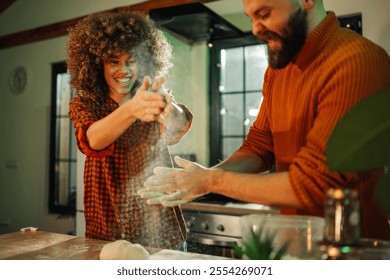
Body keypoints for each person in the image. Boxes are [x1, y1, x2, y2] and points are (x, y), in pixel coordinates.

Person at [139, 0, 390, 241]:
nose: (256, 28)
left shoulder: (355, 60)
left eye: (264, 14)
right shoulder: (278, 70)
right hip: (301, 241)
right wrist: (202, 177)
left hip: (353, 248)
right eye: (251, 17)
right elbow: (260, 146)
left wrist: (210, 181)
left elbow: (314, 184)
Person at [67, 11, 193, 249]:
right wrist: (131, 109)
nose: (123, 70)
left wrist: (169, 105)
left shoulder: (150, 95)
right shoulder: (85, 103)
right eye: (114, 61)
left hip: (162, 232)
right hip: (107, 232)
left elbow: (177, 127)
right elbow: (92, 140)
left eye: (131, 61)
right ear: (96, 64)